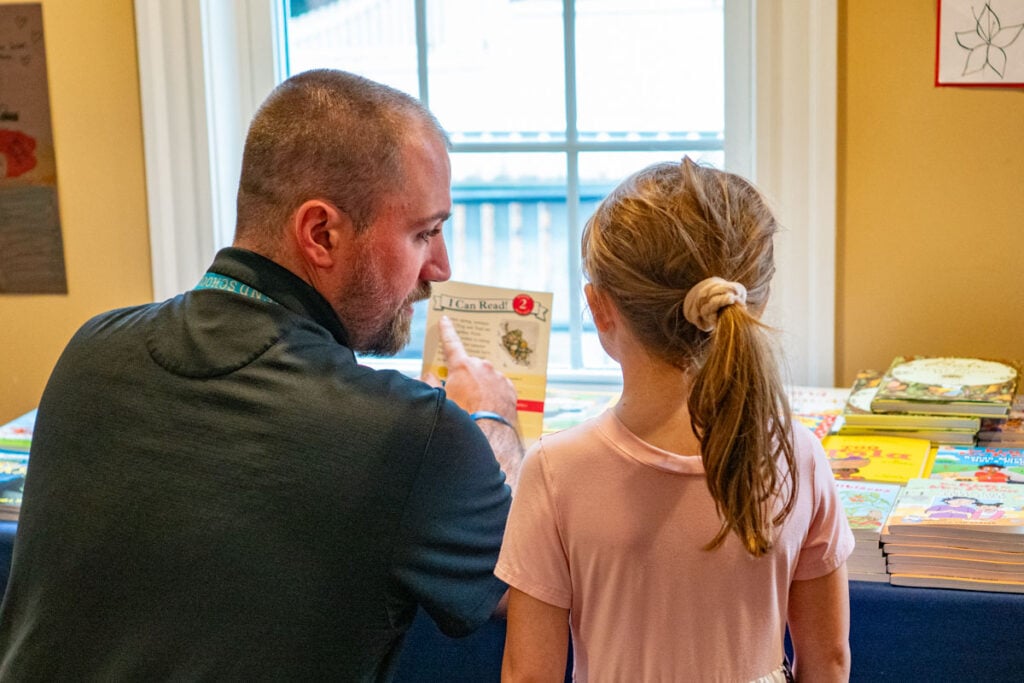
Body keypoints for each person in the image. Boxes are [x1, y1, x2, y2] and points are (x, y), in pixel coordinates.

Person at [0, 69, 523, 680]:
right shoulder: (413, 434)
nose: (440, 267)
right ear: (321, 233)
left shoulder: (91, 350)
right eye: (424, 233)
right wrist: (490, 419)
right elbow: (524, 582)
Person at [496, 158, 855, 682]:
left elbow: (530, 677)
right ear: (758, 301)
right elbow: (829, 661)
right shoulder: (796, 454)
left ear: (599, 308)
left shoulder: (556, 470)